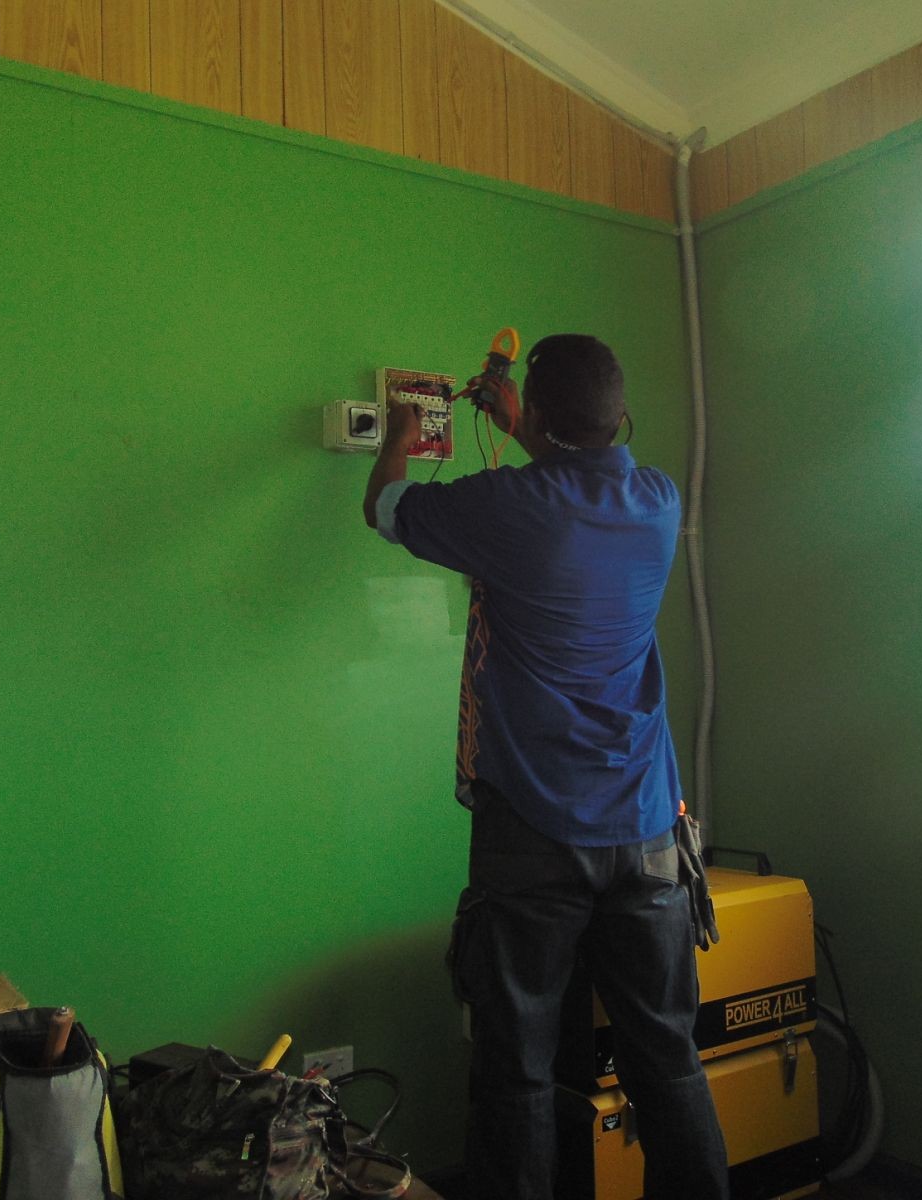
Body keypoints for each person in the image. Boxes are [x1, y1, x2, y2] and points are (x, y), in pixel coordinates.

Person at [362, 334, 729, 1200]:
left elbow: (386, 510)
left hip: (532, 832)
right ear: (620, 415)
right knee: (666, 1058)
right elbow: (572, 483)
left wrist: (399, 438)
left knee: (517, 1068)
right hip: (648, 832)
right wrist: (524, 427)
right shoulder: (658, 501)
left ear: (540, 412)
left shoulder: (507, 507)